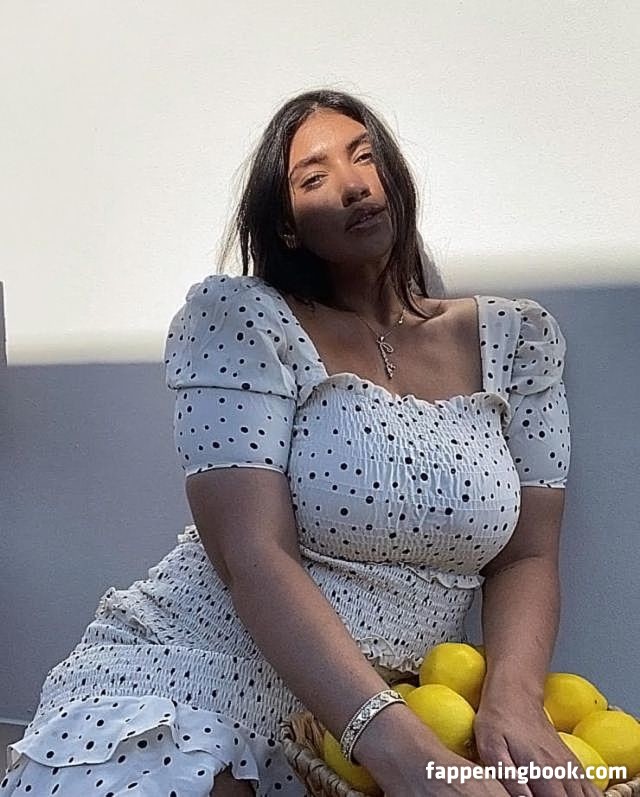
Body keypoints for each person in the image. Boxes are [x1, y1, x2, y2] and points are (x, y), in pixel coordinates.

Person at [1, 89, 596, 797]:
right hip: (195, 684)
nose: (352, 185)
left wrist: (514, 700)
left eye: (365, 158)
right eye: (314, 178)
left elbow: (528, 553)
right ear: (286, 227)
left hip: (381, 725)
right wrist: (398, 751)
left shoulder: (516, 340)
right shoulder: (242, 319)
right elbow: (252, 555)